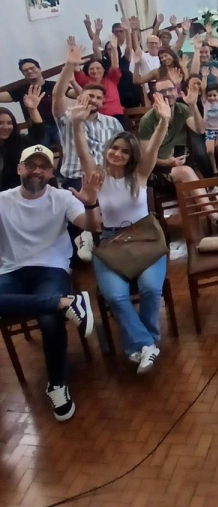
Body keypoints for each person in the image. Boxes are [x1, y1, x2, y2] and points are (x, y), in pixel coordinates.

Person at [71, 92, 171, 373]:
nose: (117, 154)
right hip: (111, 241)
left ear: (131, 157)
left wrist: (163, 121)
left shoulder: (139, 174)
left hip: (146, 238)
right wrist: (76, 124)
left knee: (151, 289)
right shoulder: (97, 175)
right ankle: (148, 344)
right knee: (115, 297)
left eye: (124, 151)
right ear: (107, 150)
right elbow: (82, 151)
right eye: (114, 148)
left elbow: (154, 147)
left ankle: (141, 345)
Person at [0, 145, 101, 420]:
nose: (37, 171)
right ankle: (65, 302)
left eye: (43, 166)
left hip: (51, 269)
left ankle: (57, 384)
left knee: (49, 319)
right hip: (11, 271)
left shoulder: (62, 198)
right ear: (19, 168)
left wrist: (91, 203)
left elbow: (92, 226)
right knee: (53, 308)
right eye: (31, 165)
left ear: (51, 172)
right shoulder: (3, 200)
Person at [54, 44, 124, 191]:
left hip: (107, 178)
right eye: (90, 96)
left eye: (98, 98)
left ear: (103, 102)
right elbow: (57, 96)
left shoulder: (112, 122)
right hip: (77, 179)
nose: (94, 100)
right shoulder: (67, 117)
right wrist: (69, 66)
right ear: (80, 98)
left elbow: (123, 149)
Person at [0, 58, 59, 146]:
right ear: (23, 74)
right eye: (25, 70)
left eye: (32, 68)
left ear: (39, 68)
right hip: (36, 130)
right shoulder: (21, 90)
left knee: (68, 143)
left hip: (57, 125)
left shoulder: (54, 86)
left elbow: (72, 93)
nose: (29, 71)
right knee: (37, 149)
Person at [0, 86, 47, 191]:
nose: (6, 127)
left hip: (19, 193)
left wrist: (33, 110)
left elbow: (38, 133)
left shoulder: (19, 142)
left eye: (9, 123)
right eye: (0, 123)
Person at [74, 40, 124, 120]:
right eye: (91, 69)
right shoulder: (86, 81)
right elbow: (77, 70)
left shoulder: (111, 78)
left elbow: (115, 66)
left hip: (116, 115)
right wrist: (74, 55)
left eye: (98, 68)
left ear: (104, 70)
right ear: (87, 71)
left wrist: (114, 49)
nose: (95, 71)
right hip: (95, 117)